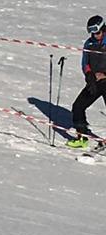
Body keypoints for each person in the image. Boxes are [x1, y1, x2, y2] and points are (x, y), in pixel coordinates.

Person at [68, 15, 106, 148]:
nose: (95, 35)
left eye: (98, 32)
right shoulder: (89, 43)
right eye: (92, 33)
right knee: (78, 106)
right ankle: (82, 137)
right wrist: (89, 75)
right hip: (95, 82)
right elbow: (85, 63)